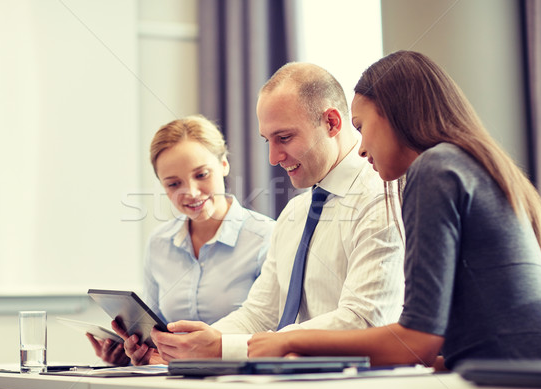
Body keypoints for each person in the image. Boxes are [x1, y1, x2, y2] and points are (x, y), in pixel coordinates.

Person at [247, 50, 541, 370]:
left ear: (395, 116)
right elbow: (443, 341)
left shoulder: (436, 168)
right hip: (524, 372)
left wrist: (288, 339)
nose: (362, 146)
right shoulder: (468, 165)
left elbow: (416, 342)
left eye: (362, 126)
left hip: (508, 381)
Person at [123, 62, 405, 364]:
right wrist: (198, 345)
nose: (273, 158)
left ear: (332, 124)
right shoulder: (295, 212)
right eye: (267, 141)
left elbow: (363, 320)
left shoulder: (381, 199)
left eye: (284, 138)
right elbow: (259, 314)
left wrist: (223, 348)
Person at [87, 115, 275, 365]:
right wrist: (133, 354)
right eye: (174, 184)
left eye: (202, 175)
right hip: (172, 381)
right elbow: (155, 331)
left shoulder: (266, 237)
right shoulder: (159, 243)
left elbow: (275, 330)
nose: (191, 192)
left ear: (224, 165)